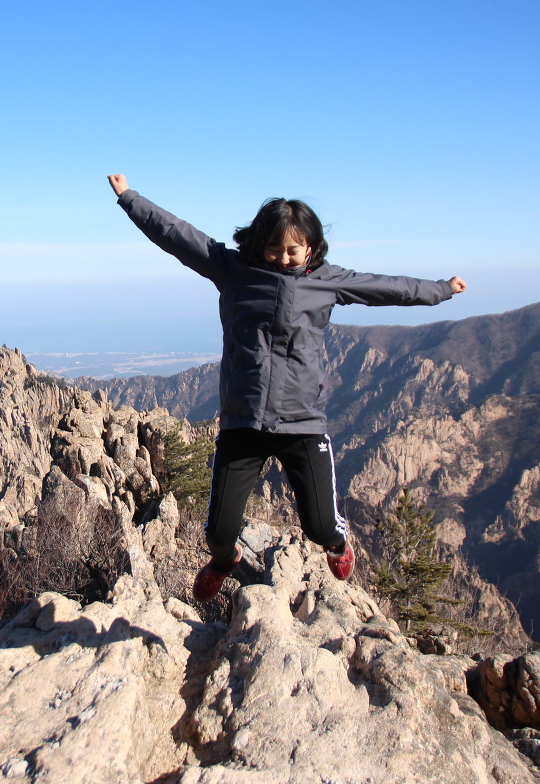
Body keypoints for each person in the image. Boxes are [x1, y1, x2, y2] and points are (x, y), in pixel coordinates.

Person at [106, 174, 466, 601]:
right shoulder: (233, 271)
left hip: (302, 423)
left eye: (293, 250)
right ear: (260, 244)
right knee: (218, 533)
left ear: (310, 247)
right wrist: (129, 198)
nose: (283, 258)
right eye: (274, 248)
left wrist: (442, 290)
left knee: (321, 527)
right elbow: (177, 236)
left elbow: (387, 288)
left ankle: (337, 543)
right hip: (244, 422)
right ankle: (224, 562)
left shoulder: (327, 280)